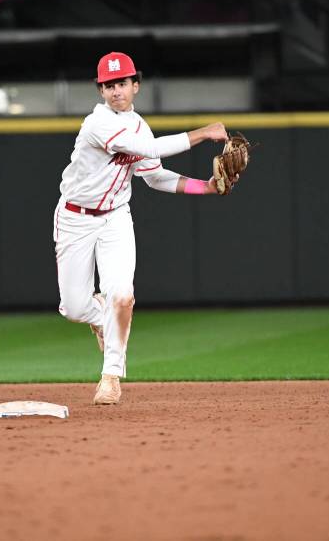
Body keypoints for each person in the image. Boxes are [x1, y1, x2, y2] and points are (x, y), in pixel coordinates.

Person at [52, 51, 233, 405]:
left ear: (135, 85)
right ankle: (99, 314)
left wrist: (205, 186)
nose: (116, 90)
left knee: (123, 296)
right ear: (100, 91)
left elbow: (154, 177)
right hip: (75, 217)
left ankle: (111, 376)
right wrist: (203, 133)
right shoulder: (97, 124)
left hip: (116, 217)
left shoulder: (139, 126)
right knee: (73, 308)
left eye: (122, 83)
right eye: (108, 85)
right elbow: (146, 148)